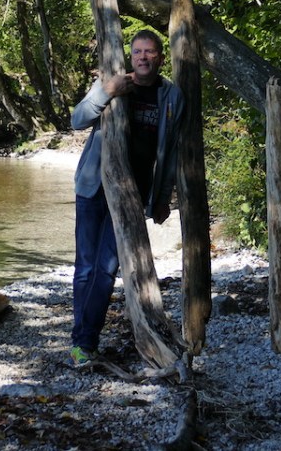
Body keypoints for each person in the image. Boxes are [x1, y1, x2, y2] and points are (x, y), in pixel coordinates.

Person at [68, 29, 184, 367]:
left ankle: (85, 340)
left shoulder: (171, 96)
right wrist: (106, 91)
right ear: (131, 56)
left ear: (160, 58)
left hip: (132, 194)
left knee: (106, 269)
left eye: (150, 52)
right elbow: (77, 120)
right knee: (86, 267)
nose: (143, 57)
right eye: (138, 52)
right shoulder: (112, 82)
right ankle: (82, 342)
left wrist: (162, 197)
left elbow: (171, 152)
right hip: (93, 186)